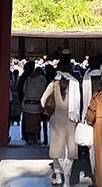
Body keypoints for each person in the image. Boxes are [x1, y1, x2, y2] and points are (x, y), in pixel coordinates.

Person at [42, 56, 82, 186]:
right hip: (71, 120)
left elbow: (43, 101)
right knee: (69, 151)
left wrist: (50, 108)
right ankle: (67, 180)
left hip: (56, 120)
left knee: (57, 149)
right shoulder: (75, 84)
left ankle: (58, 176)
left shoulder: (53, 83)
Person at [22, 62, 50, 146]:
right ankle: (36, 138)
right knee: (37, 123)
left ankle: (30, 138)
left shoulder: (27, 79)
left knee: (28, 123)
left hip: (28, 104)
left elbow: (24, 90)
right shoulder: (42, 79)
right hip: (37, 104)